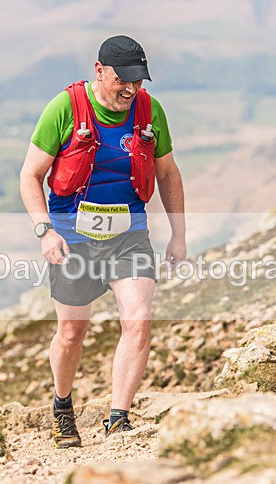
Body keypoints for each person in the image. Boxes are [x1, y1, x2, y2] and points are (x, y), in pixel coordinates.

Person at [19, 35, 186, 448]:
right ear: (99, 71)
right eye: (122, 80)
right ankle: (61, 406)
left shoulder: (149, 111)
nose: (130, 89)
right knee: (72, 333)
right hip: (72, 238)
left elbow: (167, 173)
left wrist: (179, 234)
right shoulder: (65, 108)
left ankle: (118, 418)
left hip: (128, 235)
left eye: (138, 81)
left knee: (139, 318)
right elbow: (29, 175)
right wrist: (44, 230)